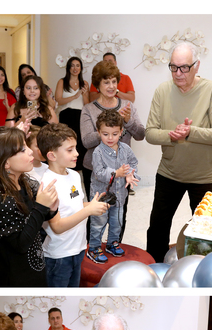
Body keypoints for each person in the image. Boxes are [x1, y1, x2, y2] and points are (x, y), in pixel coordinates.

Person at [143, 41, 212, 264]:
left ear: (197, 66)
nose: (178, 73)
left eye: (184, 67)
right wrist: (172, 135)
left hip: (206, 176)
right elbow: (150, 133)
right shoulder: (162, 91)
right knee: (157, 229)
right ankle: (154, 272)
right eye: (173, 67)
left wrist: (191, 132)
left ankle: (203, 274)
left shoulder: (211, 90)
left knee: (206, 233)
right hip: (170, 172)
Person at [0, 126, 58, 287]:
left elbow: (31, 221)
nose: (31, 152)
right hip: (16, 278)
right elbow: (21, 244)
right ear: (6, 162)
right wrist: (41, 207)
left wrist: (50, 209)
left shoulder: (23, 183)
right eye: (22, 150)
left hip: (35, 269)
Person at [37, 123, 109, 284]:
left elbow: (74, 208)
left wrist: (92, 205)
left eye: (75, 148)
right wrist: (88, 211)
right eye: (70, 150)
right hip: (59, 256)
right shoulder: (48, 185)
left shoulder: (74, 175)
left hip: (78, 248)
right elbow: (57, 226)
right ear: (52, 156)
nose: (77, 153)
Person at [80, 59, 145, 202]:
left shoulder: (128, 106)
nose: (111, 86)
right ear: (98, 85)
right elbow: (86, 141)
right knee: (96, 212)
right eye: (106, 82)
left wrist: (128, 121)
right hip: (95, 170)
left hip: (122, 170)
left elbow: (140, 135)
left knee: (120, 211)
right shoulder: (88, 109)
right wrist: (109, 128)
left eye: (114, 81)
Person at [87, 110, 141, 261]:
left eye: (114, 134)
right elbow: (99, 172)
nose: (110, 138)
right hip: (101, 196)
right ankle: (94, 247)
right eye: (105, 134)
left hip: (119, 196)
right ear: (98, 132)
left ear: (121, 132)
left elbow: (133, 164)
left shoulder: (126, 149)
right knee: (98, 223)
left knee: (117, 222)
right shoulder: (98, 152)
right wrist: (116, 173)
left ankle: (112, 243)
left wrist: (130, 174)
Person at [56, 57, 90, 174]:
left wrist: (84, 94)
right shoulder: (62, 82)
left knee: (80, 145)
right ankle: (66, 170)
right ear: (68, 68)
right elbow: (58, 100)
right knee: (67, 143)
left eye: (77, 65)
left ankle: (79, 172)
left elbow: (87, 105)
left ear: (81, 68)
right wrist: (75, 96)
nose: (75, 68)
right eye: (72, 65)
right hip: (66, 116)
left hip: (80, 116)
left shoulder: (85, 83)